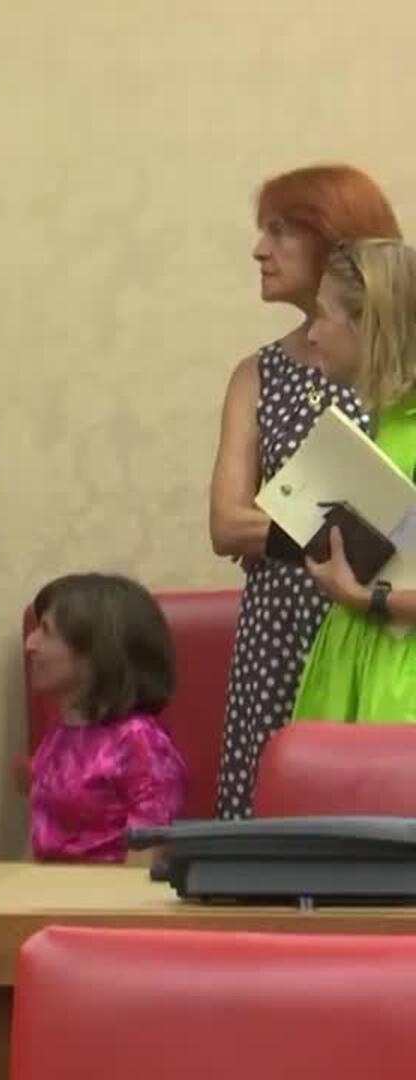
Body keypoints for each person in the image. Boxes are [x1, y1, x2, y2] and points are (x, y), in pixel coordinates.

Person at [207, 164, 401, 817]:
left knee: (372, 816)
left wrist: (285, 528)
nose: (259, 250)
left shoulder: (395, 378)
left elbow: (251, 525)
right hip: (279, 626)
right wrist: (366, 535)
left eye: (280, 231)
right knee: (270, 814)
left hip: (384, 626)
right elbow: (226, 525)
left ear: (334, 242)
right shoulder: (257, 374)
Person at [295, 239, 416, 722]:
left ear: (367, 324)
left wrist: (362, 597)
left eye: (322, 315)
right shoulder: (388, 424)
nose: (312, 334)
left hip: (400, 684)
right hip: (358, 658)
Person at [23, 574, 186, 863]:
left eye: (46, 631)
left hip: (108, 892)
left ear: (95, 652)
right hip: (48, 889)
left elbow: (145, 863)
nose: (30, 644)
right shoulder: (59, 734)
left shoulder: (139, 742)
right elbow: (39, 839)